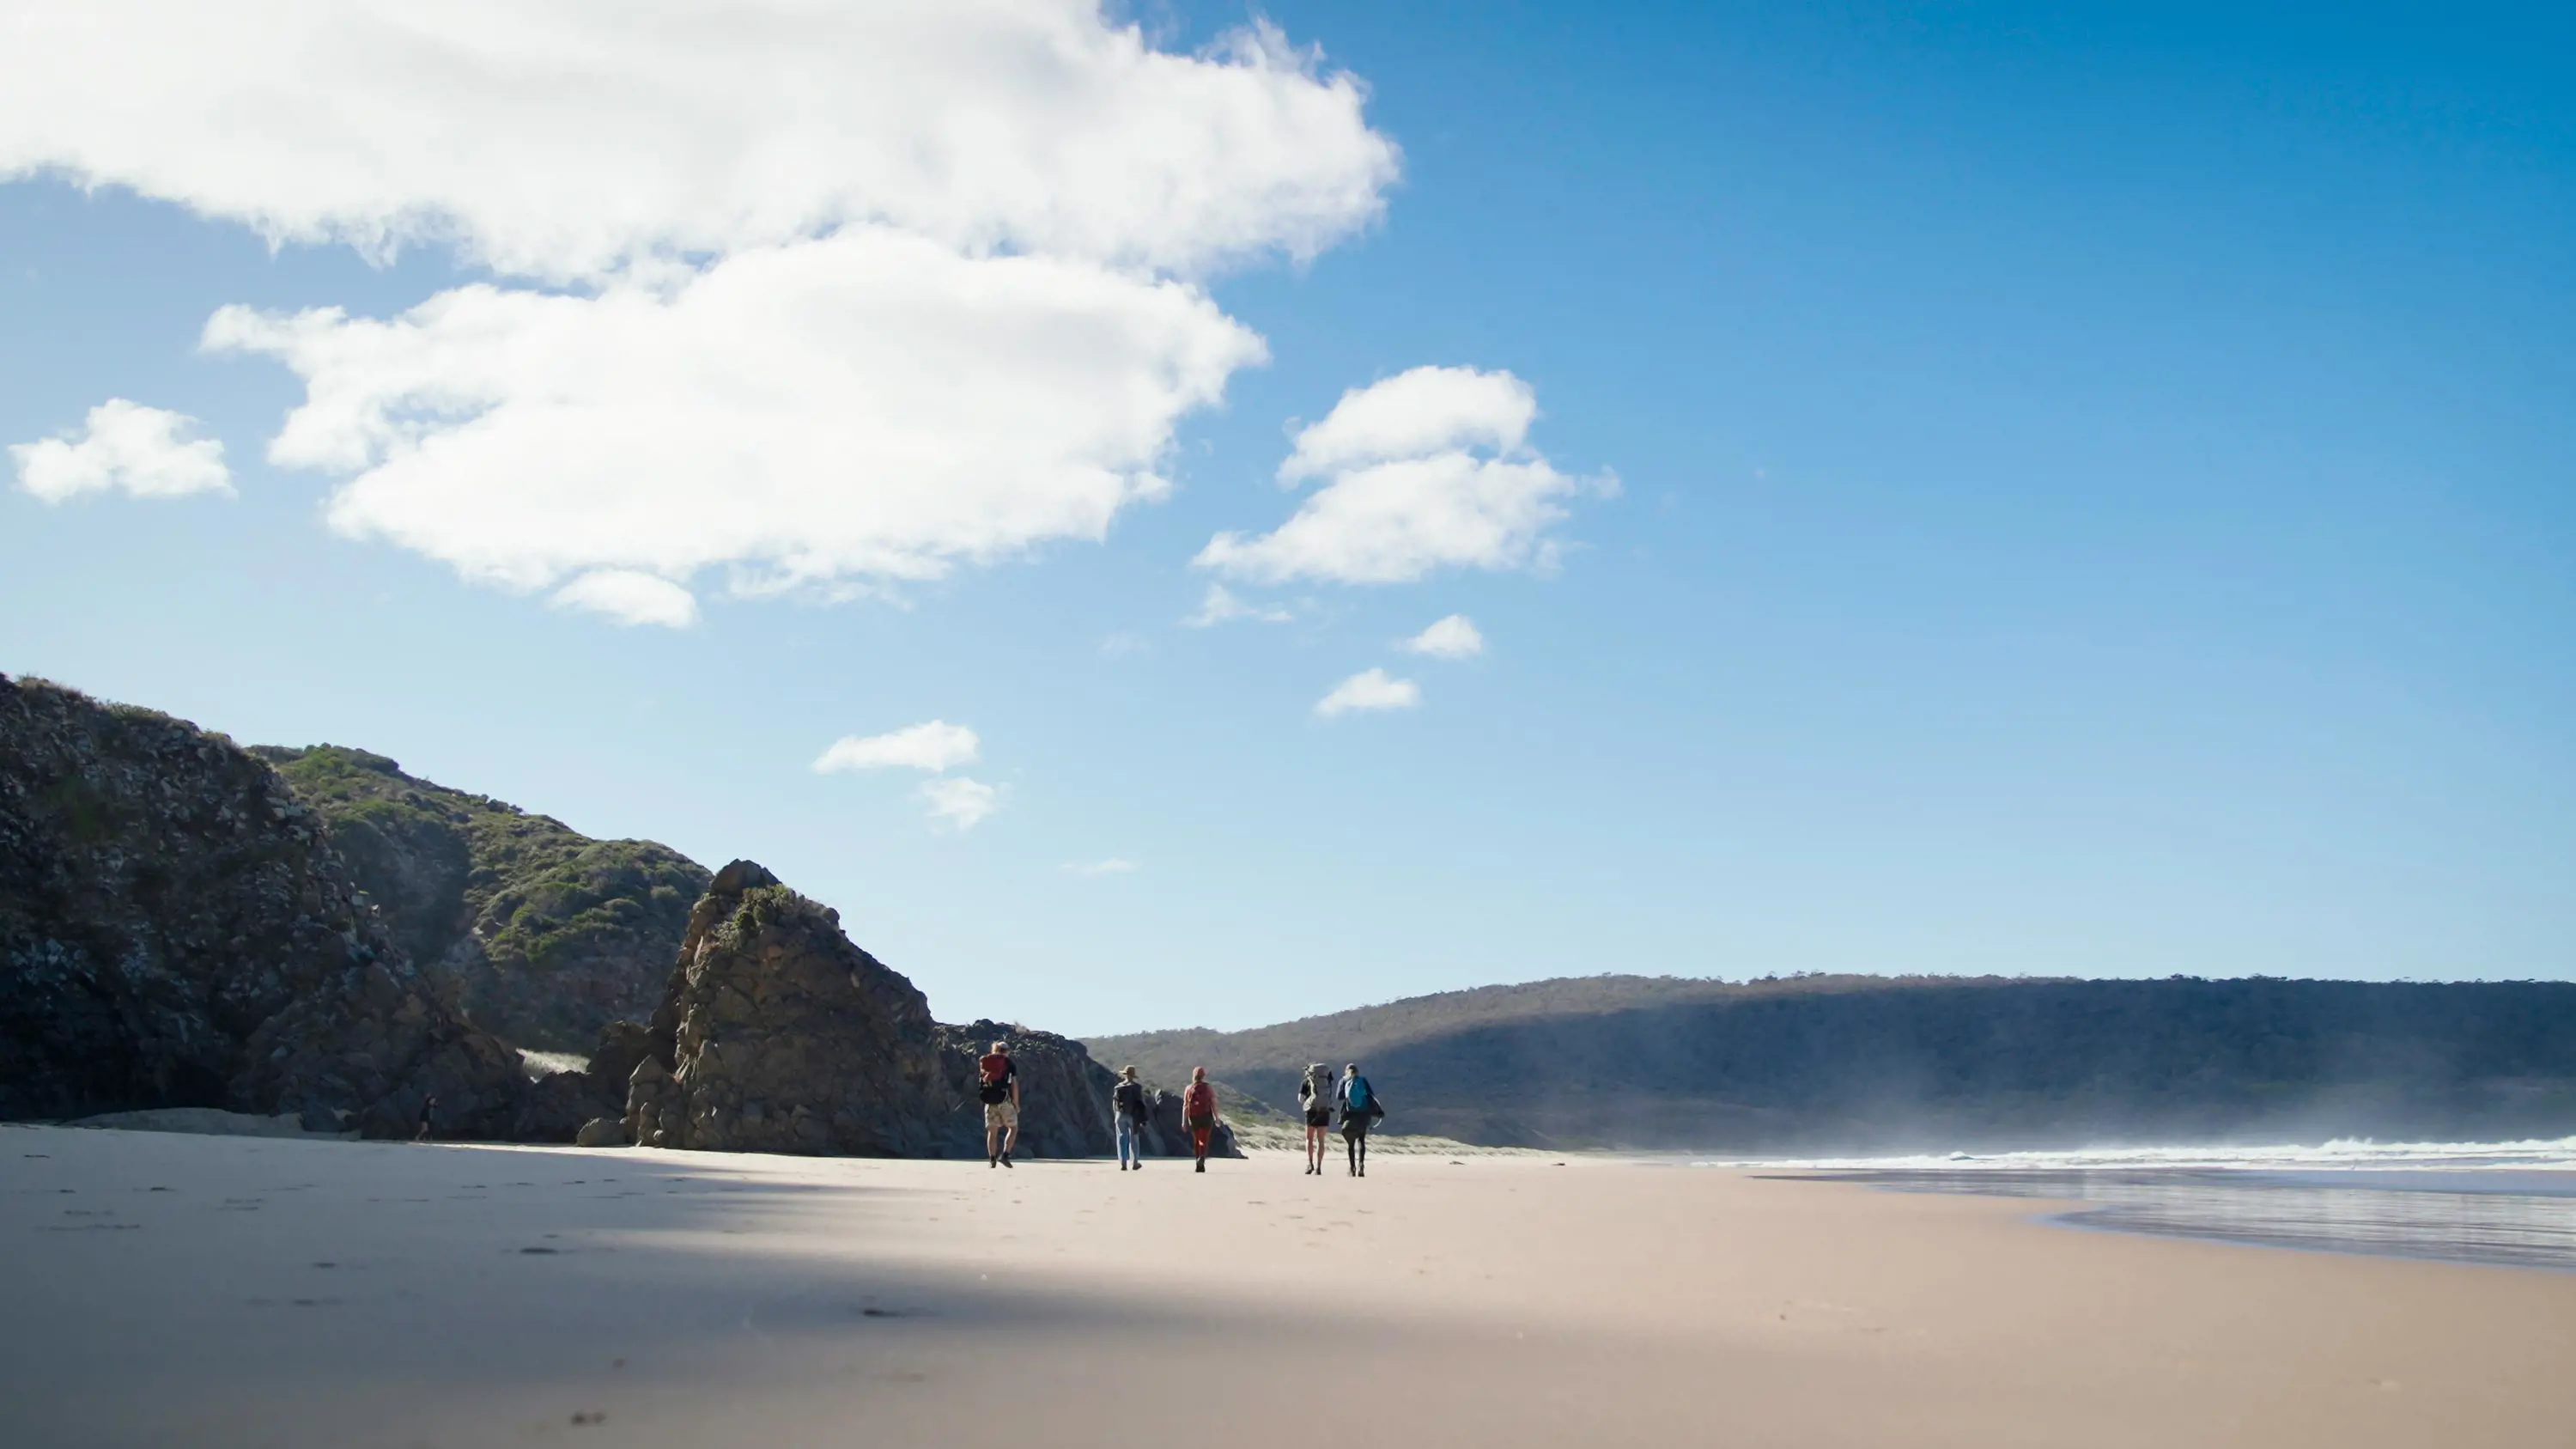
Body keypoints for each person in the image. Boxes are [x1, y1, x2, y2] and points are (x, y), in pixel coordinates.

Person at [977, 1039, 1020, 1168]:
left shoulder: (985, 1061)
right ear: (1006, 1051)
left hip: (989, 1099)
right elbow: (1014, 1085)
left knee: (992, 1132)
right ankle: (1005, 1155)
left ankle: (992, 1160)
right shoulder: (1009, 1064)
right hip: (1004, 1099)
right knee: (1013, 1128)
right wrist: (1016, 1103)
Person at [1338, 1062, 1382, 1178]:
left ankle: (1352, 1168)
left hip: (1349, 1114)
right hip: (1364, 1114)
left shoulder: (1343, 1080)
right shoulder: (1363, 1080)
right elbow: (1371, 1095)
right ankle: (1361, 1165)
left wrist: (1348, 1095)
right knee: (1361, 1140)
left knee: (1351, 1143)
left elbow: (1339, 1097)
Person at [1296, 1062, 1336, 1175]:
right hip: (1324, 1111)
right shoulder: (1327, 1082)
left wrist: (1307, 1105)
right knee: (1321, 1140)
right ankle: (1319, 1167)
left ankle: (1310, 1164)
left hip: (1311, 1112)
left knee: (1309, 1139)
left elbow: (1300, 1099)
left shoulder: (1306, 1081)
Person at [1112, 1064, 1151, 1171]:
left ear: (1125, 1075)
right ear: (1133, 1076)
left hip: (1120, 1115)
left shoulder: (1118, 1087)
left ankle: (1123, 1163)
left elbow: (1114, 1103)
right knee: (1134, 1139)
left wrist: (1117, 1115)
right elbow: (1141, 1103)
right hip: (1133, 1116)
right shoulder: (1137, 1087)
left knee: (1121, 1139)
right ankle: (1135, 1163)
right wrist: (1143, 1118)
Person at [1182, 1066, 1219, 1173]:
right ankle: (1202, 1157)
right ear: (1203, 1076)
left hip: (1193, 1117)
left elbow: (1185, 1105)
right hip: (1206, 1116)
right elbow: (1214, 1103)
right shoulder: (1208, 1088)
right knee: (1204, 1139)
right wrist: (1217, 1118)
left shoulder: (1189, 1088)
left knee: (1196, 1140)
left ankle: (1198, 1164)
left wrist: (1184, 1121)